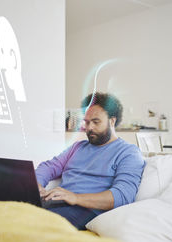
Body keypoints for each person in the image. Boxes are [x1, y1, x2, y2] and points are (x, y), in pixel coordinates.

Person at [35, 92, 145, 230]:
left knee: (34, 224)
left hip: (87, 210)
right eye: (86, 122)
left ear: (112, 121)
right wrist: (37, 186)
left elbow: (123, 195)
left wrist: (75, 198)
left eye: (95, 122)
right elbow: (49, 167)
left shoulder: (128, 152)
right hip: (58, 202)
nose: (89, 127)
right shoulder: (78, 147)